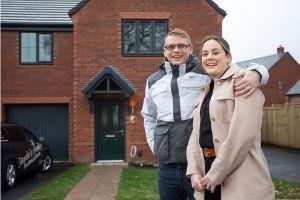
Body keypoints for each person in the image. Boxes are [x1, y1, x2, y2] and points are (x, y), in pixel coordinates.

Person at [141, 28, 269, 200]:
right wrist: (155, 146)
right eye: (171, 47)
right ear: (164, 51)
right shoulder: (153, 81)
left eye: (181, 46)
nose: (176, 50)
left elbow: (237, 72)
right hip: (168, 167)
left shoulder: (207, 75)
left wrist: (259, 73)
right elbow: (149, 117)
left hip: (202, 165)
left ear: (190, 48)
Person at [186, 35, 275, 200]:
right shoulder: (204, 91)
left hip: (240, 182)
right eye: (205, 54)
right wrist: (193, 172)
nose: (209, 57)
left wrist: (216, 173)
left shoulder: (243, 81)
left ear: (228, 57)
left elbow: (242, 136)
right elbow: (195, 136)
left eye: (215, 52)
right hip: (206, 180)